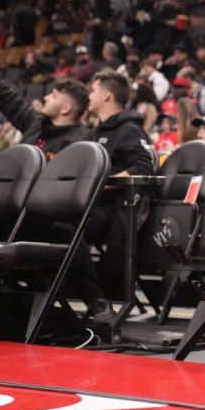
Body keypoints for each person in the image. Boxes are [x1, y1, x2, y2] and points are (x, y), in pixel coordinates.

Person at [85, 71, 155, 309]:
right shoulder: (94, 132)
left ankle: (94, 295)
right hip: (89, 205)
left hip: (113, 209)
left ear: (106, 95)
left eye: (92, 90)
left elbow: (144, 167)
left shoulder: (129, 129)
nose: (89, 95)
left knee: (63, 227)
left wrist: (101, 184)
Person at [0, 70, 88, 159]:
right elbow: (8, 99)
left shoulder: (74, 146)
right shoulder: (38, 123)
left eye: (54, 96)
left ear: (65, 109)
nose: (46, 98)